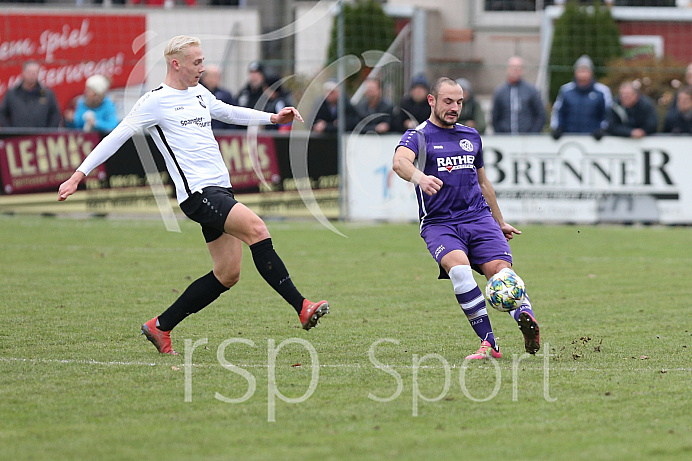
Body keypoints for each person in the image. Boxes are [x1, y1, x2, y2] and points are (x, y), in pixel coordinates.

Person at [57, 35, 329, 355]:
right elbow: (116, 137)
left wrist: (271, 118)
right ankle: (302, 306)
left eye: (202, 61)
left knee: (228, 273)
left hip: (218, 189)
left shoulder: (199, 93)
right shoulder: (154, 101)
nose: (202, 67)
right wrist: (79, 174)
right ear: (176, 64)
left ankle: (160, 326)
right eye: (197, 62)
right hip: (198, 194)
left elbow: (228, 112)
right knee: (258, 229)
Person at [392, 77, 540, 360]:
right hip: (440, 223)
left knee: (502, 273)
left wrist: (500, 221)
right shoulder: (418, 136)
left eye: (459, 102)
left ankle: (527, 320)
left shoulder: (471, 136)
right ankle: (489, 343)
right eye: (448, 101)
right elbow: (400, 162)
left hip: (478, 218)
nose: (455, 107)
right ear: (432, 101)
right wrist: (420, 177)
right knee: (459, 270)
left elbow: (484, 183)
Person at [550, 54, 612, 139]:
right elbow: (558, 111)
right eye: (580, 70)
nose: (583, 73)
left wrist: (602, 129)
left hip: (593, 139)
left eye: (586, 70)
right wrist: (557, 128)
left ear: (591, 72)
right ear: (575, 72)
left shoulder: (602, 91)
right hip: (569, 137)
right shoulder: (566, 90)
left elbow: (608, 113)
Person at [491, 56, 545, 134]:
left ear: (522, 70)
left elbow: (540, 115)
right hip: (505, 138)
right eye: (513, 67)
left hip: (527, 139)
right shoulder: (500, 92)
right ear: (507, 69)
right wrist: (500, 133)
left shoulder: (531, 91)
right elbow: (495, 117)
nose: (515, 70)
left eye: (518, 68)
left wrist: (533, 133)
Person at [0, 60, 61, 128]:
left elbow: (55, 115)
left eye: (35, 72)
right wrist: (10, 131)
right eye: (29, 72)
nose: (32, 75)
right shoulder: (12, 94)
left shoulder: (47, 94)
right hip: (18, 137)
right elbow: (2, 114)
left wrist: (48, 133)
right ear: (23, 73)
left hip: (40, 137)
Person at [199, 64, 238, 130]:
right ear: (205, 77)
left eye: (218, 76)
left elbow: (233, 114)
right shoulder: (198, 93)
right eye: (214, 76)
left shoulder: (226, 95)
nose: (217, 79)